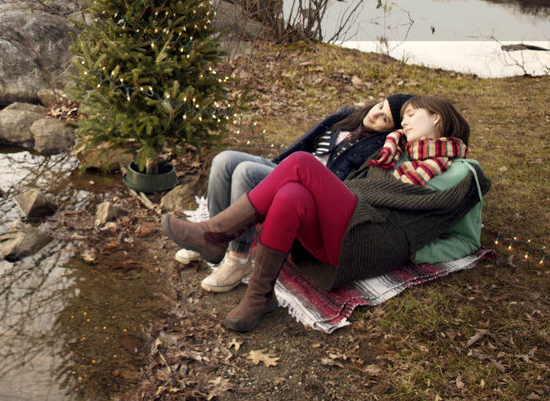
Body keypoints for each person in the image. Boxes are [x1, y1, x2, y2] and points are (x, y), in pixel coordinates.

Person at [163, 95, 489, 332]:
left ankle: (217, 234)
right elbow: (363, 188)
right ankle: (259, 296)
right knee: (291, 194)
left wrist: (414, 250)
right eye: (403, 116)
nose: (404, 121)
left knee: (301, 165)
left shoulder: (463, 172)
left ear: (438, 118)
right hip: (351, 230)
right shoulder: (397, 154)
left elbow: (466, 239)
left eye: (413, 114)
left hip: (375, 238)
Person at [191, 94, 412, 294]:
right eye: (380, 106)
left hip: (305, 183)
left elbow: (346, 186)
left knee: (245, 173)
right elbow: (306, 142)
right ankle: (211, 242)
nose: (376, 114)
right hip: (285, 166)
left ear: (389, 129)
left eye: (385, 119)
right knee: (223, 159)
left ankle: (237, 258)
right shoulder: (347, 115)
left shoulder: (378, 146)